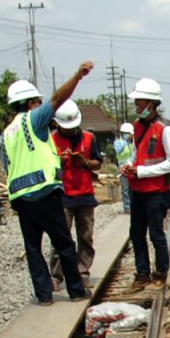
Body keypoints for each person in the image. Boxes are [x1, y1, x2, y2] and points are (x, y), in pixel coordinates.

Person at [0, 63, 93, 306]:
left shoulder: (6, 134)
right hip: (43, 191)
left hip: (20, 196)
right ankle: (76, 290)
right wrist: (77, 76)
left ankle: (44, 296)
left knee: (33, 247)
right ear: (30, 103)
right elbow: (58, 99)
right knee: (63, 242)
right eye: (37, 101)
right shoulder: (33, 119)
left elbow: (7, 166)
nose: (40, 105)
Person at [119, 76, 170, 291]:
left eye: (139, 102)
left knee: (156, 234)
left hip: (157, 192)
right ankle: (142, 274)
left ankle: (161, 272)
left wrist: (142, 171)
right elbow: (136, 152)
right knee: (136, 233)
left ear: (151, 103)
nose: (136, 106)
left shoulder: (165, 129)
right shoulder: (137, 126)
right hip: (138, 190)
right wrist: (128, 165)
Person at [51, 99, 102, 288]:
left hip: (85, 195)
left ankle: (83, 271)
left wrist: (85, 162)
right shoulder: (51, 140)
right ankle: (57, 275)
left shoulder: (89, 138)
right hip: (62, 196)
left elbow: (98, 162)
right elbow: (46, 166)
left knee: (85, 236)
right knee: (60, 237)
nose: (71, 131)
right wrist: (59, 162)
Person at [114, 122, 135, 213]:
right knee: (125, 189)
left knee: (132, 189)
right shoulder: (118, 142)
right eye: (126, 133)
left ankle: (133, 207)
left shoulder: (134, 143)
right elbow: (118, 150)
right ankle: (127, 208)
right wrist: (125, 142)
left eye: (129, 133)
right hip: (122, 169)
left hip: (132, 169)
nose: (128, 135)